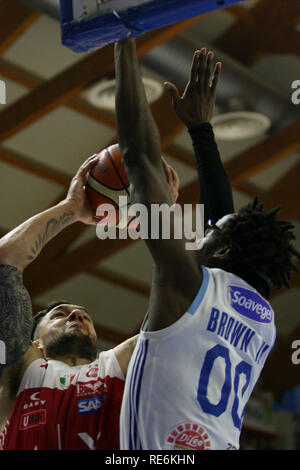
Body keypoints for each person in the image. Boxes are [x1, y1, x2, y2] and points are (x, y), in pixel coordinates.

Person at [114, 39, 300, 450]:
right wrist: (200, 132)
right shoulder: (263, 322)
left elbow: (139, 158)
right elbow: (224, 224)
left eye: (206, 233)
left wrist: (124, 42)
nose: (198, 233)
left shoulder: (189, 286)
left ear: (222, 252)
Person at [0, 155, 137, 450]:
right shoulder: (20, 373)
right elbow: (5, 260)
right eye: (60, 314)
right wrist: (71, 209)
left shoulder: (121, 362)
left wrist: (160, 213)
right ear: (34, 343)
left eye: (84, 315)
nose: (77, 314)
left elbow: (183, 311)